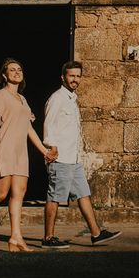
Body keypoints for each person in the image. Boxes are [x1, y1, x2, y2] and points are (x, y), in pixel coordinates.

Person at [0, 59, 56, 253]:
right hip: (4, 148)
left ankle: (16, 237)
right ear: (4, 75)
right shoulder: (1, 95)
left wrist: (44, 151)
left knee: (19, 194)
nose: (17, 72)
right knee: (0, 194)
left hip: (21, 152)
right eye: (12, 70)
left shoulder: (23, 100)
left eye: (19, 69)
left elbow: (29, 129)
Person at [40, 60, 119, 248]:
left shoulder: (72, 99)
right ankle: (48, 238)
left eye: (78, 76)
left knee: (84, 194)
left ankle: (96, 233)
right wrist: (51, 147)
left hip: (73, 158)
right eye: (72, 76)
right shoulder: (57, 98)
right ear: (63, 77)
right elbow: (48, 124)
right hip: (60, 158)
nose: (75, 79)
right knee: (55, 197)